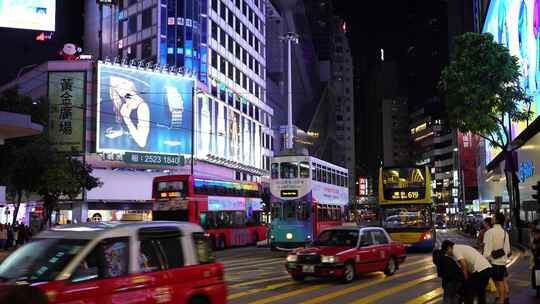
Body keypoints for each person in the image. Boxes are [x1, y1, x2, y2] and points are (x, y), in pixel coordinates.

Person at [441, 240, 492, 304]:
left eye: (447, 252)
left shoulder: (455, 250)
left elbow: (464, 264)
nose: (448, 254)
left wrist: (466, 278)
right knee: (480, 292)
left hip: (480, 270)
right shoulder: (460, 247)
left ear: (449, 248)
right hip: (487, 268)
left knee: (469, 291)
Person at [483, 213, 511, 304]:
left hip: (493, 261)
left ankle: (501, 299)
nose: (492, 218)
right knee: (501, 281)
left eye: (493, 217)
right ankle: (503, 298)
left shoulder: (489, 232)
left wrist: (486, 258)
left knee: (498, 282)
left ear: (497, 220)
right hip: (502, 261)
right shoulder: (505, 233)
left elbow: (487, 249)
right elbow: (507, 249)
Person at [531, 223, 540, 298]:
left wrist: (534, 249)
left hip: (539, 263)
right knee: (537, 276)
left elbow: (535, 250)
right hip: (537, 262)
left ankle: (538, 291)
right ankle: (538, 290)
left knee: (538, 276)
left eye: (536, 234)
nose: (534, 235)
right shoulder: (535, 241)